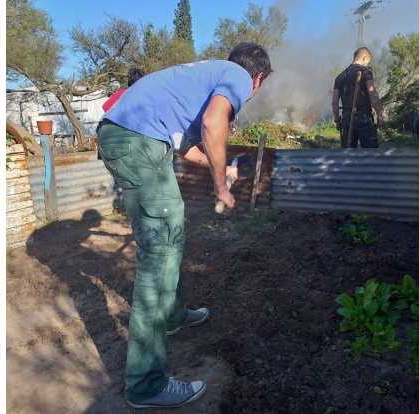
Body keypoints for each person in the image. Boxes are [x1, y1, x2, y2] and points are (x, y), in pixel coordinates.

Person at [96, 42, 272, 409]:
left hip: (129, 138)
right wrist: (221, 186)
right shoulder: (239, 76)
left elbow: (189, 147)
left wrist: (221, 169)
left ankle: (173, 315)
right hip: (138, 143)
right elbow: (213, 124)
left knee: (168, 233)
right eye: (259, 85)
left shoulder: (205, 76)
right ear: (257, 78)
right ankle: (145, 384)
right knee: (158, 256)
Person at [332, 47, 385, 148]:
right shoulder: (365, 72)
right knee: (370, 153)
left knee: (347, 154)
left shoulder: (339, 77)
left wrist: (337, 121)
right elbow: (373, 95)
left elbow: (334, 102)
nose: (368, 65)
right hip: (364, 118)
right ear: (364, 58)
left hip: (346, 119)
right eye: (368, 62)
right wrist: (379, 113)